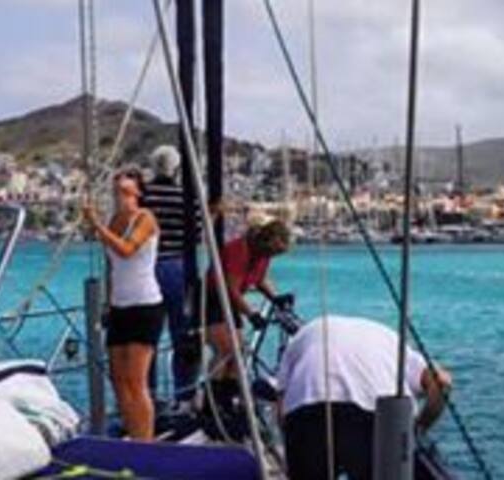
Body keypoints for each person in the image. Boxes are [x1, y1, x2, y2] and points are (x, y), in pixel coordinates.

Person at [276, 316, 452, 480]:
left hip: (307, 407)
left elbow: (281, 405)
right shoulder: (395, 343)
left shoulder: (302, 336)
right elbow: (442, 382)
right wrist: (418, 429)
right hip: (374, 414)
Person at [83, 170, 163, 441]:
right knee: (118, 380)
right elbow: (111, 265)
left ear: (138, 193)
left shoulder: (145, 218)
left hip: (144, 304)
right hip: (120, 306)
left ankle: (145, 442)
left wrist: (96, 225)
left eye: (126, 192)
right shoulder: (114, 221)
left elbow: (126, 249)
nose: (121, 198)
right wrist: (107, 302)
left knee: (136, 381)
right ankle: (132, 433)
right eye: (117, 192)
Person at [139, 147, 201, 406]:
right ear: (176, 168)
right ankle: (184, 396)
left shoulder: (144, 196)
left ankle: (148, 397)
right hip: (178, 267)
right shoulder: (187, 197)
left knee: (148, 337)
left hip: (147, 268)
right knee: (183, 335)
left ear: (153, 166)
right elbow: (197, 235)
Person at [199, 220, 292, 382]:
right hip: (213, 298)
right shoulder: (239, 251)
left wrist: (275, 298)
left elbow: (259, 279)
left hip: (230, 302)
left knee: (239, 352)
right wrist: (251, 315)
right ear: (266, 242)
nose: (272, 256)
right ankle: (211, 397)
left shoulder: (263, 254)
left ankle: (230, 394)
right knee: (225, 350)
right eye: (273, 252)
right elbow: (231, 289)